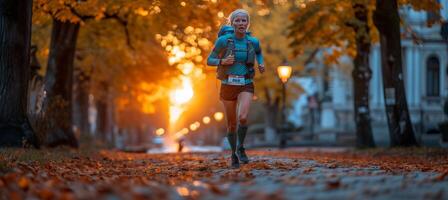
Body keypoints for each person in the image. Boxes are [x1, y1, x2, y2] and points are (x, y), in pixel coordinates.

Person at [207, 9, 265, 168]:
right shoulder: (224, 41)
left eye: (243, 21)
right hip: (227, 85)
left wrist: (261, 63)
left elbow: (259, 53)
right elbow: (209, 60)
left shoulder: (253, 41)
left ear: (248, 23)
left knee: (243, 117)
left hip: (246, 82)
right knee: (232, 124)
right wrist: (222, 61)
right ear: (232, 24)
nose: (241, 23)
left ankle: (241, 148)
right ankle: (233, 154)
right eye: (237, 21)